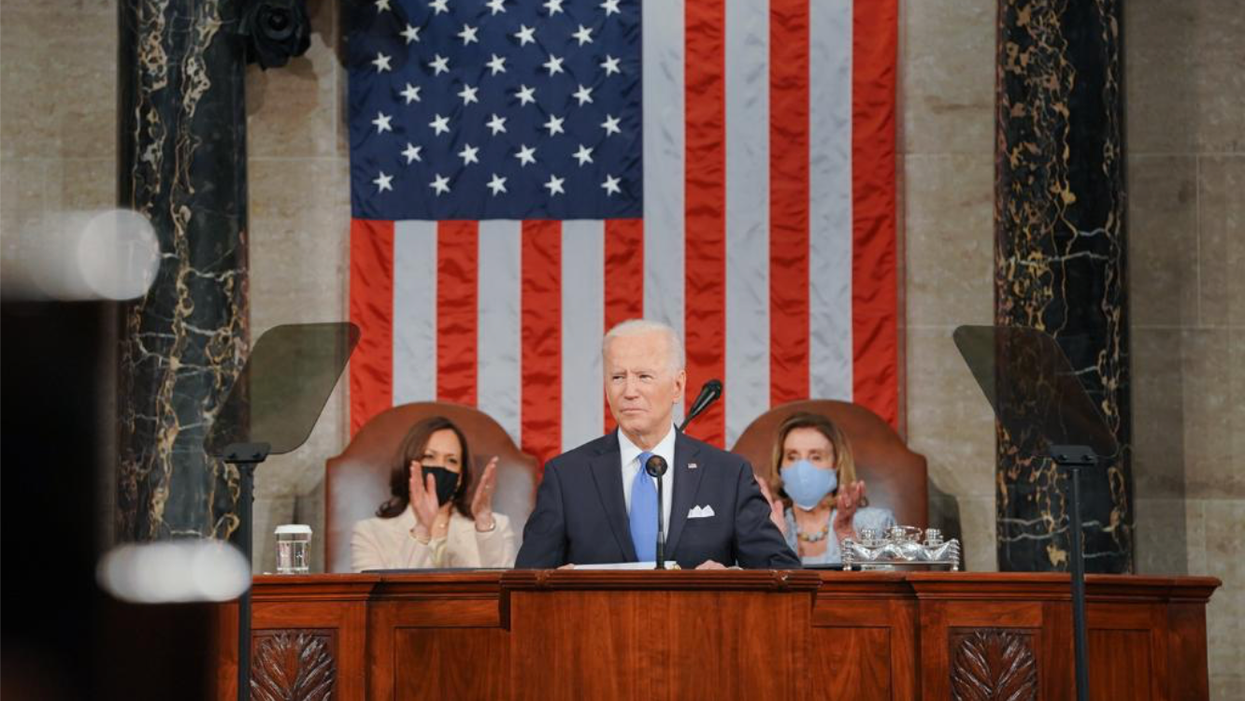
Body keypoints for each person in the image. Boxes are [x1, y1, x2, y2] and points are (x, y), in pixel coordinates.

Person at [516, 319, 800, 570]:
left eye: (644, 377)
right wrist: (556, 586)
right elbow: (525, 585)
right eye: (618, 377)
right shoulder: (567, 477)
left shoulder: (728, 474)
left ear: (677, 386)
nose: (629, 391)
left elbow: (782, 576)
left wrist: (730, 581)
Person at [351, 416, 519, 571]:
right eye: (429, 457)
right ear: (410, 465)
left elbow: (507, 593)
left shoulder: (494, 526)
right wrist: (422, 529)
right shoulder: (370, 532)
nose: (440, 467)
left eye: (451, 460)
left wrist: (483, 522)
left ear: (460, 477)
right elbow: (375, 600)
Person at [756, 412, 896, 565]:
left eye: (816, 457)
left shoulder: (876, 524)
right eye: (792, 456)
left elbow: (886, 585)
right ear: (780, 465)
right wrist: (772, 541)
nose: (802, 469)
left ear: (836, 464)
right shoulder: (765, 527)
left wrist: (849, 540)